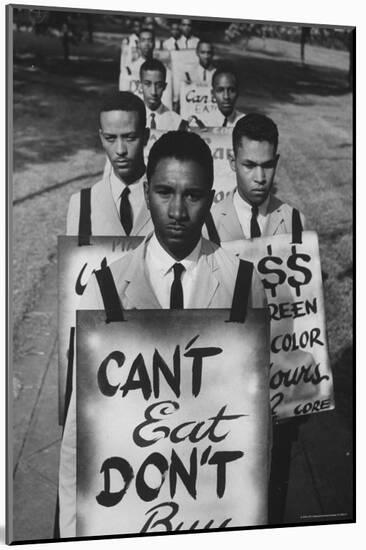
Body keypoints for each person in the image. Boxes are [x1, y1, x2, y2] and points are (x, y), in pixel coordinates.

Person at [58, 131, 267, 536]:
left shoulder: (244, 284)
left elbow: (254, 431)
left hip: (211, 507)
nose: (176, 210)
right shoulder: (106, 287)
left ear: (210, 197)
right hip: (127, 509)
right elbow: (77, 442)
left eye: (192, 195)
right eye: (164, 192)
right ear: (145, 191)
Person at [66, 92, 152, 237]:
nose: (120, 150)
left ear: (145, 136)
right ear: (101, 137)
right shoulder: (82, 204)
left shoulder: (172, 198)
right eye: (110, 138)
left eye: (130, 138)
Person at [210, 113, 306, 242]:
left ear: (276, 162)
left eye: (267, 165)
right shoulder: (209, 224)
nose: (260, 178)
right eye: (249, 165)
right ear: (233, 162)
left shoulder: (295, 222)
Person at [140, 59, 187, 131]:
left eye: (158, 85)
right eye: (147, 84)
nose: (153, 92)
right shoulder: (132, 118)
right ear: (140, 86)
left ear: (164, 86)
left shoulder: (177, 122)